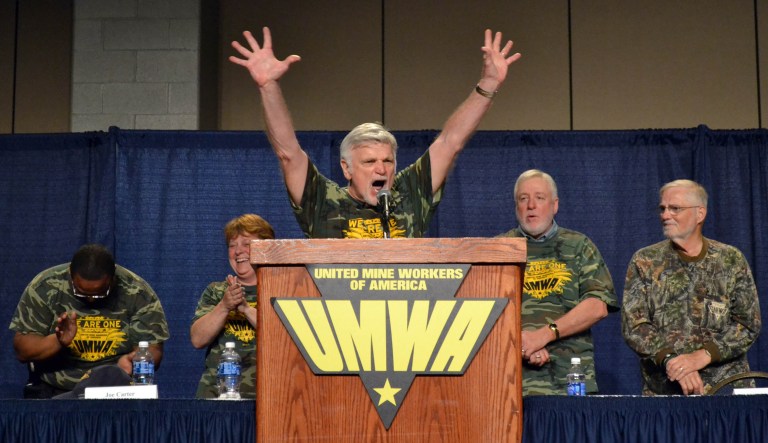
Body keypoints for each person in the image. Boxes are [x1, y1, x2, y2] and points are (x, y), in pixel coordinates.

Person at [229, 27, 521, 238]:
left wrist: (489, 84)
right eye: (369, 162)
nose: (381, 168)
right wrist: (268, 86)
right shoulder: (324, 202)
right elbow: (288, 154)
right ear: (346, 168)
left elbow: (450, 142)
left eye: (387, 161)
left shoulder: (408, 194)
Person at [622, 179, 761, 396]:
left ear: (700, 214)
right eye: (663, 208)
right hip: (665, 393)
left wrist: (701, 357)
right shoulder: (645, 261)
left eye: (675, 208)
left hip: (725, 393)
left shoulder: (730, 260)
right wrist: (674, 363)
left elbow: (748, 324)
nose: (665, 215)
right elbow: (635, 326)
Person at [496, 169, 618, 395]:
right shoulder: (497, 249)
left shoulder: (579, 246)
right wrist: (524, 345)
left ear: (555, 205)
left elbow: (597, 307)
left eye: (539, 198)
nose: (531, 205)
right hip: (509, 384)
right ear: (516, 206)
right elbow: (481, 312)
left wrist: (542, 336)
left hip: (569, 381)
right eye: (523, 199)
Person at [9, 243, 169, 398]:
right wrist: (58, 341)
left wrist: (133, 362)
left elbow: (153, 351)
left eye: (100, 293)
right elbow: (22, 351)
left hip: (116, 391)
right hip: (56, 392)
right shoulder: (45, 287)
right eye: (81, 293)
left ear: (113, 278)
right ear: (70, 275)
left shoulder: (137, 292)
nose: (91, 300)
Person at [190, 214, 274, 398]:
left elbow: (283, 338)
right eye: (232, 246)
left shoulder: (280, 289)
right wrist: (224, 306)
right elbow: (197, 339)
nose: (238, 251)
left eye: (246, 244)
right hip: (216, 398)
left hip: (266, 400)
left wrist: (246, 309)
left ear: (266, 248)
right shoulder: (217, 291)